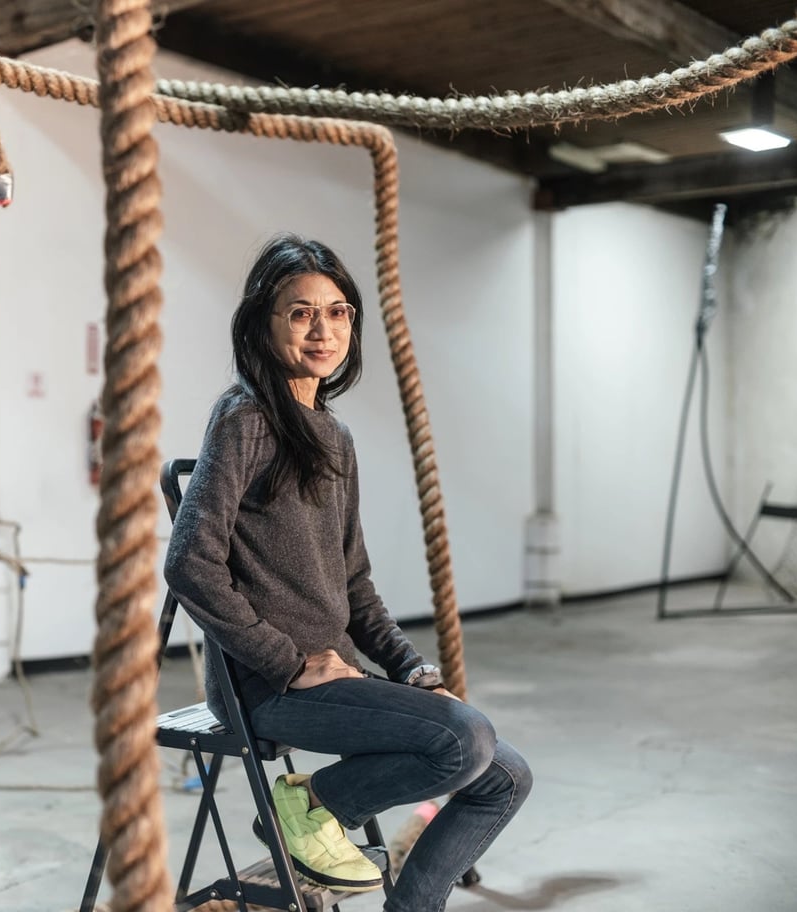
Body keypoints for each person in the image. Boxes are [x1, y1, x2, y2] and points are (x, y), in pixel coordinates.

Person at [164, 233, 532, 912]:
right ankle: (307, 806)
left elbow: (355, 581)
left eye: (337, 313)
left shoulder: (335, 437)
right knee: (467, 739)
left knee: (504, 775)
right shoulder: (244, 419)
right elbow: (190, 564)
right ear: (262, 323)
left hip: (334, 677)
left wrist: (412, 667)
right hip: (266, 685)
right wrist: (286, 659)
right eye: (300, 312)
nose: (322, 329)